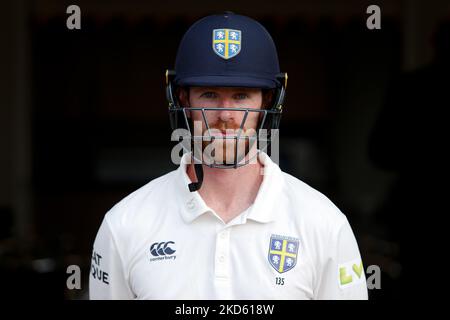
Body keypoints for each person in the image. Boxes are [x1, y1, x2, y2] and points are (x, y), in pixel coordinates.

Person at [89, 12, 368, 300]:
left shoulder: (323, 224)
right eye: (209, 94)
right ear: (183, 99)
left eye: (241, 95)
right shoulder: (125, 224)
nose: (225, 115)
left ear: (268, 101)